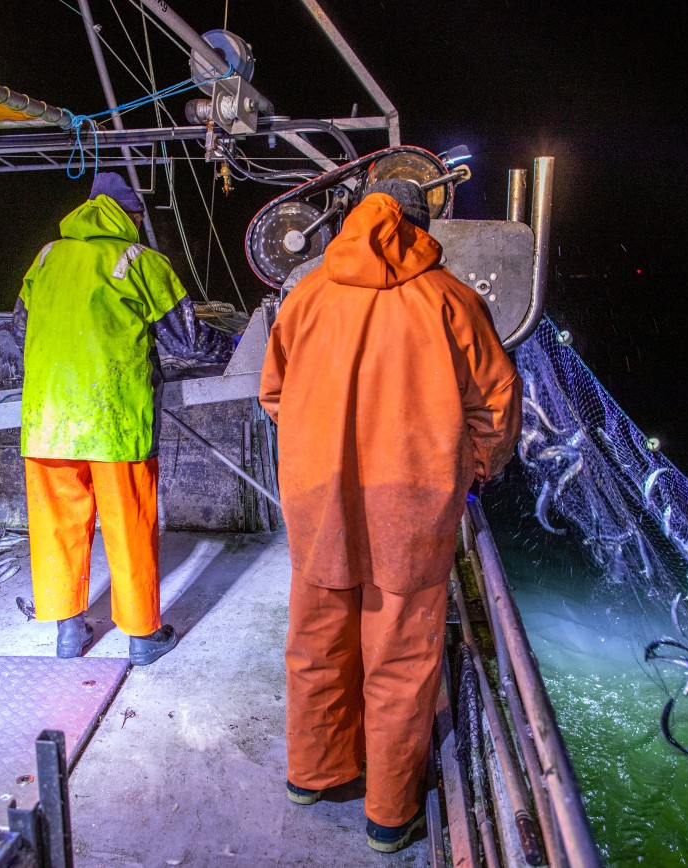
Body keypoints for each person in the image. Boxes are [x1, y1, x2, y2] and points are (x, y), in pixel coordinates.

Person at [259, 179, 523, 853]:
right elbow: (495, 402)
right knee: (401, 657)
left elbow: (274, 395)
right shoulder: (450, 300)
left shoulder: (308, 294)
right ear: (421, 224)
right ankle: (387, 815)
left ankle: (313, 775)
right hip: (411, 504)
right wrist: (476, 467)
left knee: (317, 639)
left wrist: (318, 444)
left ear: (350, 222)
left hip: (319, 499)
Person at [13, 172, 231, 666]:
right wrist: (237, 349)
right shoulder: (140, 261)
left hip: (47, 422)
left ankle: (68, 634)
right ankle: (141, 638)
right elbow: (187, 341)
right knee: (129, 528)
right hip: (114, 422)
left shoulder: (46, 257)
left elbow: (20, 327)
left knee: (57, 532)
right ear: (131, 216)